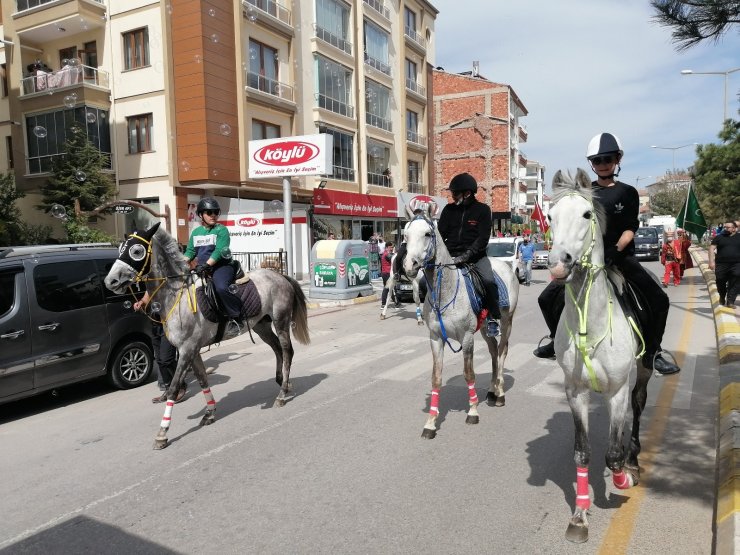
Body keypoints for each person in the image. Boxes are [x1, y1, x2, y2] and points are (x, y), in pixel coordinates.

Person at [533, 132, 680, 375]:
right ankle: (554, 341)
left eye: (607, 159)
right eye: (597, 160)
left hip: (620, 258)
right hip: (586, 261)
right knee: (545, 299)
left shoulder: (628, 192)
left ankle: (654, 352)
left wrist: (614, 251)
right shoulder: (585, 194)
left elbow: (631, 228)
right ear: (592, 163)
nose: (602, 164)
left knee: (659, 299)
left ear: (618, 159)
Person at [437, 172, 501, 336]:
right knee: (424, 282)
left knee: (489, 281)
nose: (452, 196)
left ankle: (493, 318)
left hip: (475, 257)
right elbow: (440, 233)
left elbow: (482, 239)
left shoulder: (483, 210)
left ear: (467, 193)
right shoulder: (449, 210)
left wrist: (466, 256)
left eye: (455, 193)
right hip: (450, 256)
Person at [184, 197, 242, 335]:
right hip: (203, 268)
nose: (213, 215)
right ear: (201, 215)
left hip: (222, 266)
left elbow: (220, 251)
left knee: (221, 288)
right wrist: (182, 262)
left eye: (216, 212)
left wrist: (205, 265)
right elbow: (190, 251)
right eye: (209, 212)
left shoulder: (222, 230)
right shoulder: (196, 232)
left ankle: (236, 317)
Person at [133, 291, 187, 404]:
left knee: (166, 359)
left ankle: (180, 386)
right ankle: (169, 389)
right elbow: (148, 293)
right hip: (154, 324)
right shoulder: (151, 278)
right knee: (159, 360)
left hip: (168, 324)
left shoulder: (166, 276)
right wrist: (141, 302)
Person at [709, 220, 740, 308]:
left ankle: (730, 301)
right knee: (720, 281)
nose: (725, 229)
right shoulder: (719, 237)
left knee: (736, 279)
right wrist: (711, 262)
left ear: (734, 229)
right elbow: (711, 248)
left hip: (737, 264)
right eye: (725, 227)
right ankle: (722, 296)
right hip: (721, 264)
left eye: (728, 227)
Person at [380, 241, 395, 309]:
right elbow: (393, 258)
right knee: (386, 288)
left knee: (391, 288)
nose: (392, 248)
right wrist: (395, 253)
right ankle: (383, 304)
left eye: (392, 247)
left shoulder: (385, 253)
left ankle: (396, 302)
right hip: (387, 273)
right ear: (387, 247)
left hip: (385, 273)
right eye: (390, 247)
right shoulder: (386, 254)